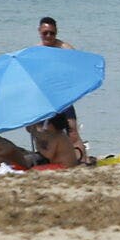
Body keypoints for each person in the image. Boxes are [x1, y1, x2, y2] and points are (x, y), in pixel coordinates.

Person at [35, 16, 87, 161]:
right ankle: (50, 159)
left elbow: (79, 68)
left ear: (56, 32)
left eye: (52, 33)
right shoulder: (35, 51)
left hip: (63, 97)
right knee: (41, 131)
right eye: (45, 33)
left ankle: (83, 161)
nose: (49, 36)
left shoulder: (64, 49)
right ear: (39, 31)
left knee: (72, 130)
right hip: (45, 97)